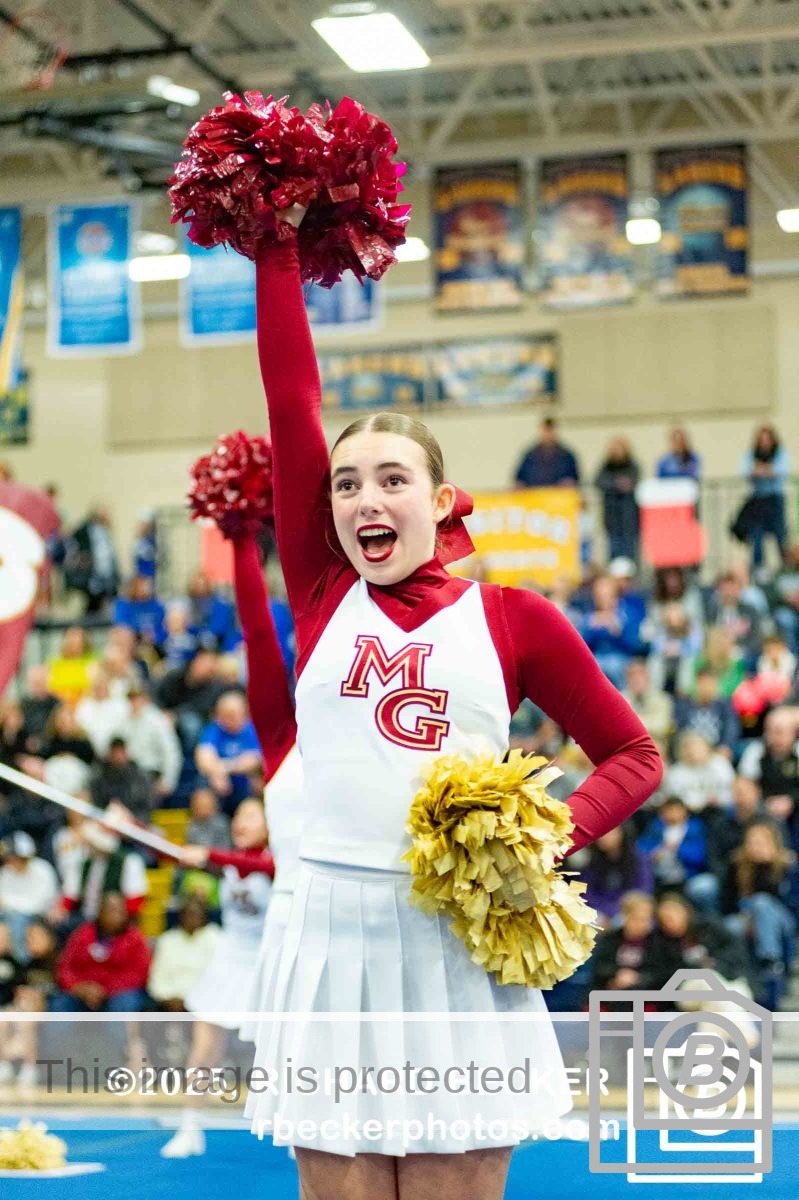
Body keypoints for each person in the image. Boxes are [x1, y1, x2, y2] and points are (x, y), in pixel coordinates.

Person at [244, 227, 662, 1197]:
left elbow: (633, 756)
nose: (365, 498)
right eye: (346, 484)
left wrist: (538, 838)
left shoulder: (516, 619)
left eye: (392, 480)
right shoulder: (321, 594)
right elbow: (291, 401)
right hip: (330, 939)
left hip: (457, 941)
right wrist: (273, 241)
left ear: (441, 502)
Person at [159, 797, 275, 1158]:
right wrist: (125, 824)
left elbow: (258, 865)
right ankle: (190, 1127)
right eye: (238, 815)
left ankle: (298, 1129)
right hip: (229, 957)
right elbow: (170, 852)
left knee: (283, 1051)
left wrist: (208, 855)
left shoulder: (278, 861)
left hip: (267, 960)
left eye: (251, 816)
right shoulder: (227, 861)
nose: (241, 822)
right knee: (205, 1046)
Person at [720, 821, 796, 1008]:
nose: (756, 847)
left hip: (783, 920)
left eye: (761, 842)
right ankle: (740, 971)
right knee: (731, 925)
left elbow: (793, 904)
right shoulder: (736, 865)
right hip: (746, 919)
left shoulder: (789, 865)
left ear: (773, 843)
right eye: (752, 842)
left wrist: (766, 866)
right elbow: (727, 903)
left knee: (761, 902)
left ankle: (770, 961)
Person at [194, 692, 262, 816]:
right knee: (203, 786)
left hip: (245, 783)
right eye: (225, 715)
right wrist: (216, 774)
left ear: (244, 713)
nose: (229, 719)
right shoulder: (213, 730)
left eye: (233, 714)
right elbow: (203, 757)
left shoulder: (252, 730)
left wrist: (224, 769)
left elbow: (254, 760)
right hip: (219, 785)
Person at [737, 425, 790, 573]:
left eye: (767, 439)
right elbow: (746, 471)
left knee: (780, 535)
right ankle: (758, 569)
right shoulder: (751, 454)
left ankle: (787, 567)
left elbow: (780, 471)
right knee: (757, 535)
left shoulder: (780, 453)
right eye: (762, 439)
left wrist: (762, 469)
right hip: (758, 499)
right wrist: (765, 470)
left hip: (775, 498)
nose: (764, 443)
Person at [578, 825, 654, 925]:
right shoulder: (591, 860)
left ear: (622, 833)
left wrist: (616, 913)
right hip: (597, 913)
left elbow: (643, 891)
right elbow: (583, 890)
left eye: (609, 833)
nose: (603, 837)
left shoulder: (639, 859)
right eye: (601, 833)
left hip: (628, 912)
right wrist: (602, 912)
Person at [64, 505, 120, 615]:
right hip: (92, 574)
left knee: (107, 602)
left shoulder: (106, 531)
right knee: (93, 603)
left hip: (107, 575)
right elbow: (73, 548)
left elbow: (110, 554)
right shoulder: (84, 530)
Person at [593, 437, 640, 562]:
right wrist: (616, 484)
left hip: (629, 517)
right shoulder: (606, 466)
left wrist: (626, 484)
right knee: (613, 550)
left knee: (630, 551)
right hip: (612, 516)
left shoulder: (632, 466)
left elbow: (635, 480)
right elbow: (598, 481)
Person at [513, 417, 581, 488]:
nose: (548, 434)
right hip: (534, 493)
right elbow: (519, 478)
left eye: (550, 431)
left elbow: (575, 478)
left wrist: (570, 482)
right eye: (546, 431)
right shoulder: (530, 455)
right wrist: (519, 484)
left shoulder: (566, 456)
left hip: (558, 494)